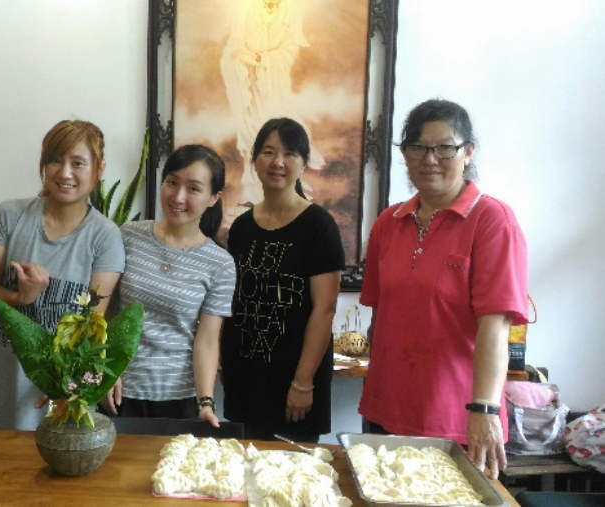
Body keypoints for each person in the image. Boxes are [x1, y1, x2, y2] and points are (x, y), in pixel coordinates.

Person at [358, 99, 529, 480]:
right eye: (417, 147)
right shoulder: (388, 223)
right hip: (387, 409)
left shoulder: (492, 220)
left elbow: (496, 325)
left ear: (468, 151)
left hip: (458, 418)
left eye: (445, 147)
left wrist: (484, 409)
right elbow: (381, 314)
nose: (430, 159)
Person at [0, 120, 125, 430]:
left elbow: (93, 322)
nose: (64, 173)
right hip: (4, 376)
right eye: (55, 160)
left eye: (78, 163)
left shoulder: (105, 236)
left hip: (64, 386)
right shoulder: (10, 216)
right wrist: (19, 297)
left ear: (99, 168)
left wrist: (69, 382)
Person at [220, 118, 344, 442]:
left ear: (303, 163)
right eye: (268, 152)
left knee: (295, 467)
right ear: (254, 161)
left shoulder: (319, 226)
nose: (278, 162)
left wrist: (303, 382)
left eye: (289, 154)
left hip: (295, 377)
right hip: (246, 375)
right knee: (243, 465)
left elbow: (324, 310)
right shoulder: (242, 227)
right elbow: (234, 299)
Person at [114, 145, 236, 427]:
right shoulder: (128, 236)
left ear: (213, 197)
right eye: (172, 182)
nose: (178, 197)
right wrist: (103, 371)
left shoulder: (220, 264)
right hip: (118, 389)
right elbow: (104, 310)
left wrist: (205, 402)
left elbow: (207, 340)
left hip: (179, 398)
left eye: (193, 188)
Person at [220, 0, 324, 216]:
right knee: (251, 133)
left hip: (274, 82)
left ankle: (288, 195)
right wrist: (244, 57)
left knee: (278, 133)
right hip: (247, 82)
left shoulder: (290, 10)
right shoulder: (246, 9)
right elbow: (235, 43)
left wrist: (266, 60)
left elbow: (291, 48)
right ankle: (253, 192)